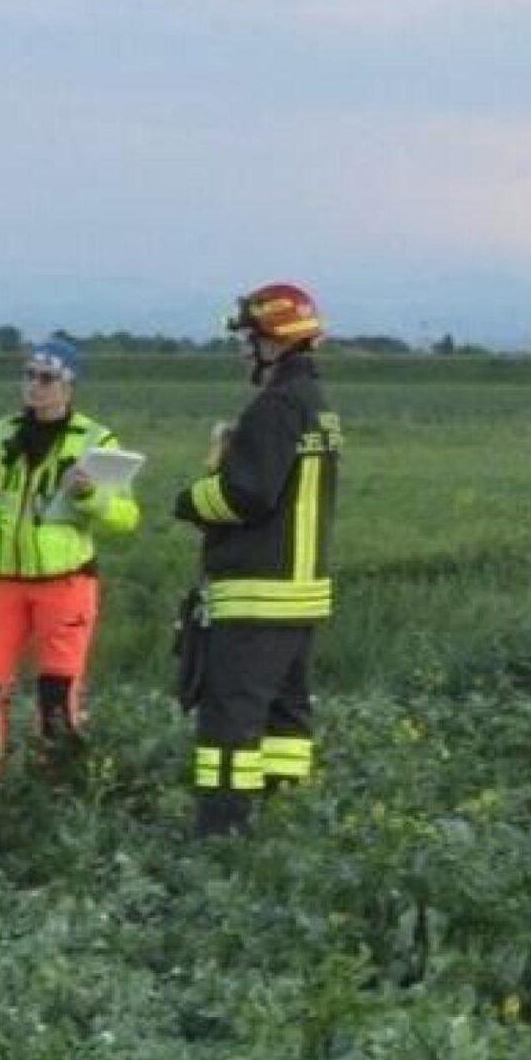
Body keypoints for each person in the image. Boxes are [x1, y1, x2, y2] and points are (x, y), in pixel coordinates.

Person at [175, 281, 340, 837]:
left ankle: (222, 834)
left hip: (256, 595)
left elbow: (248, 494)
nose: (245, 349)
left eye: (250, 337)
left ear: (274, 340)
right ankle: (285, 819)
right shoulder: (317, 405)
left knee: (230, 721)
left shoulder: (274, 407)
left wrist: (193, 498)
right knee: (286, 720)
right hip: (300, 596)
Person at [0, 335, 139, 778]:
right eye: (29, 376)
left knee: (57, 693)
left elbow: (125, 519)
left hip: (66, 583)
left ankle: (58, 789)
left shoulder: (96, 440)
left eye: (47, 378)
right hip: (3, 581)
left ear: (69, 386)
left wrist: (90, 498)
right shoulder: (0, 435)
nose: (35, 387)